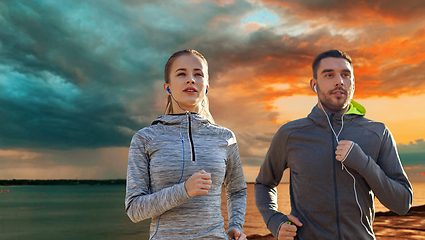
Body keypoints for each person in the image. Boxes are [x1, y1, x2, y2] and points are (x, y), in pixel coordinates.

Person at [255, 50, 413, 239]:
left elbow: (403, 203)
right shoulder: (290, 134)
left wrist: (363, 163)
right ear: (314, 84)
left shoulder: (377, 133)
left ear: (353, 83)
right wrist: (274, 220)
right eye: (329, 75)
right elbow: (264, 183)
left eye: (346, 75)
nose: (339, 81)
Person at [125, 49, 247, 240]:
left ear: (206, 87)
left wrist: (236, 225)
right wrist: (184, 191)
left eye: (198, 74)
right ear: (168, 87)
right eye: (181, 74)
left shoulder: (225, 137)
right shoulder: (145, 138)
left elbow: (237, 190)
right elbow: (134, 209)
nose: (190, 79)